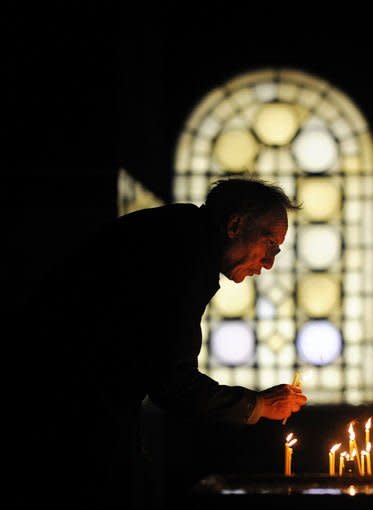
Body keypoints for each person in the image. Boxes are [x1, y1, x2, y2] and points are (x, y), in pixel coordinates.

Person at [14, 176, 308, 509]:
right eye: (269, 244)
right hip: (62, 413)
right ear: (235, 224)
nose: (269, 263)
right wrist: (258, 406)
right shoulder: (184, 254)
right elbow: (173, 383)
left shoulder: (177, 232)